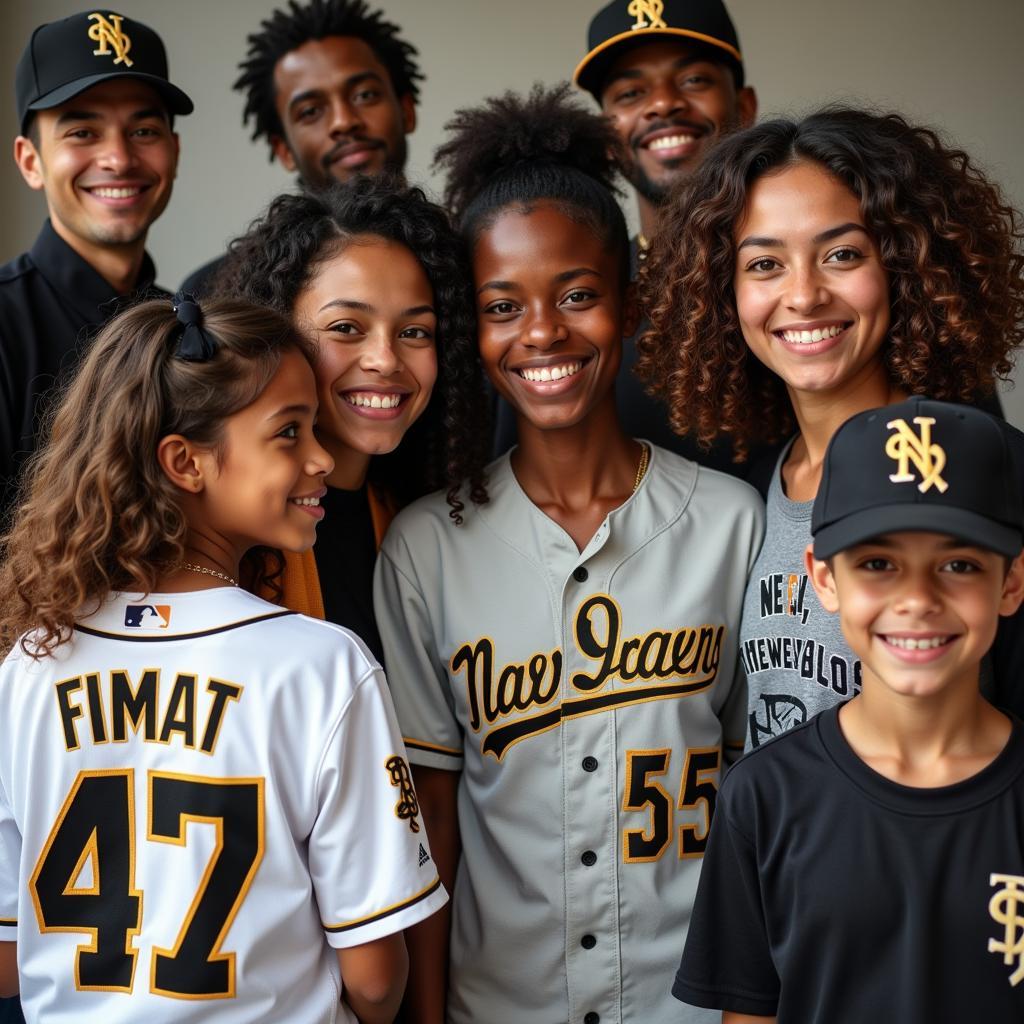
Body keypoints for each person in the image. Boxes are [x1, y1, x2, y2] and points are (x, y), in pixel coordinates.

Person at [374, 85, 764, 1024]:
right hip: (499, 1002)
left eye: (577, 296)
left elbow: (764, 799)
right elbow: (432, 822)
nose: (542, 332)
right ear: (474, 329)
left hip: (689, 1003)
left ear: (628, 304)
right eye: (504, 305)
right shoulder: (429, 544)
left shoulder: (731, 522)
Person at [0, 296, 447, 1023]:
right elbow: (374, 980)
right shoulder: (323, 667)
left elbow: (5, 961)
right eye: (289, 433)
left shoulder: (27, 665)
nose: (322, 458)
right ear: (185, 462)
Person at [637, 107, 1023, 747]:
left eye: (841, 254)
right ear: (722, 294)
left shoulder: (991, 472)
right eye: (765, 264)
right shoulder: (753, 492)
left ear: (904, 265)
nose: (805, 294)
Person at [674, 397, 1024, 1022]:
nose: (917, 599)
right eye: (878, 564)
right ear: (823, 578)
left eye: (959, 564)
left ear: (1011, 582)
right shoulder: (761, 797)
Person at [214, 179, 488, 655]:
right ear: (278, 330)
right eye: (346, 327)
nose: (385, 359)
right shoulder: (224, 534)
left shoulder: (417, 522)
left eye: (415, 331)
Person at [508, 0, 755, 465]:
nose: (662, 103)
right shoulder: (583, 300)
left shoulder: (792, 288)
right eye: (630, 93)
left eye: (694, 80)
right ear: (607, 132)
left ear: (745, 106)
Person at [1, 9, 191, 516]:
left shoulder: (190, 325)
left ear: (174, 151)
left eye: (144, 131)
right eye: (83, 132)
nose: (119, 159)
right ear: (30, 161)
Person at [181, 0, 421, 296]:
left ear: (407, 111)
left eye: (365, 95)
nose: (344, 121)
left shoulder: (472, 253)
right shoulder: (217, 292)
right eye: (310, 111)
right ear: (282, 149)